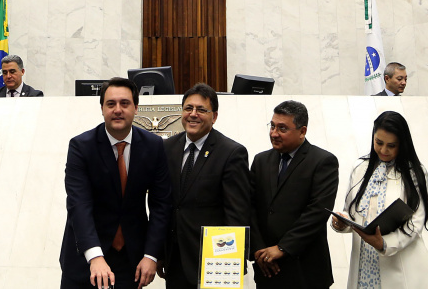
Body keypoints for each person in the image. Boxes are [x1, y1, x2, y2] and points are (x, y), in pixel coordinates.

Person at [59, 77, 171, 289]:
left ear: (136, 108)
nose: (117, 109)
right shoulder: (81, 147)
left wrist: (151, 255)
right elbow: (79, 204)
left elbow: (161, 205)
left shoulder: (154, 146)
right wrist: (94, 256)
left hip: (131, 261)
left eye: (125, 103)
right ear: (102, 108)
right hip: (85, 259)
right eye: (111, 104)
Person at [331, 111, 428, 288]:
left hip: (401, 266)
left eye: (391, 145)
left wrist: (385, 244)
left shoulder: (415, 173)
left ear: (402, 144)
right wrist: (341, 223)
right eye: (378, 143)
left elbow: (416, 222)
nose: (383, 150)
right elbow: (351, 214)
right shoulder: (360, 168)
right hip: (364, 263)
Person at [162, 83, 251, 289]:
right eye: (188, 108)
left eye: (201, 110)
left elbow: (237, 212)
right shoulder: (167, 148)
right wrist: (159, 254)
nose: (193, 114)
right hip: (175, 260)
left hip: (214, 261)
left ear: (215, 116)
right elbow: (163, 203)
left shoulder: (231, 153)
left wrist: (231, 262)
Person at [250, 100, 339, 289]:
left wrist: (282, 248)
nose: (274, 133)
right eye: (272, 126)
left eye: (282, 128)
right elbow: (250, 208)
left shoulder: (323, 162)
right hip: (267, 269)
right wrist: (260, 251)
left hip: (305, 270)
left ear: (302, 131)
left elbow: (317, 212)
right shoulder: (260, 161)